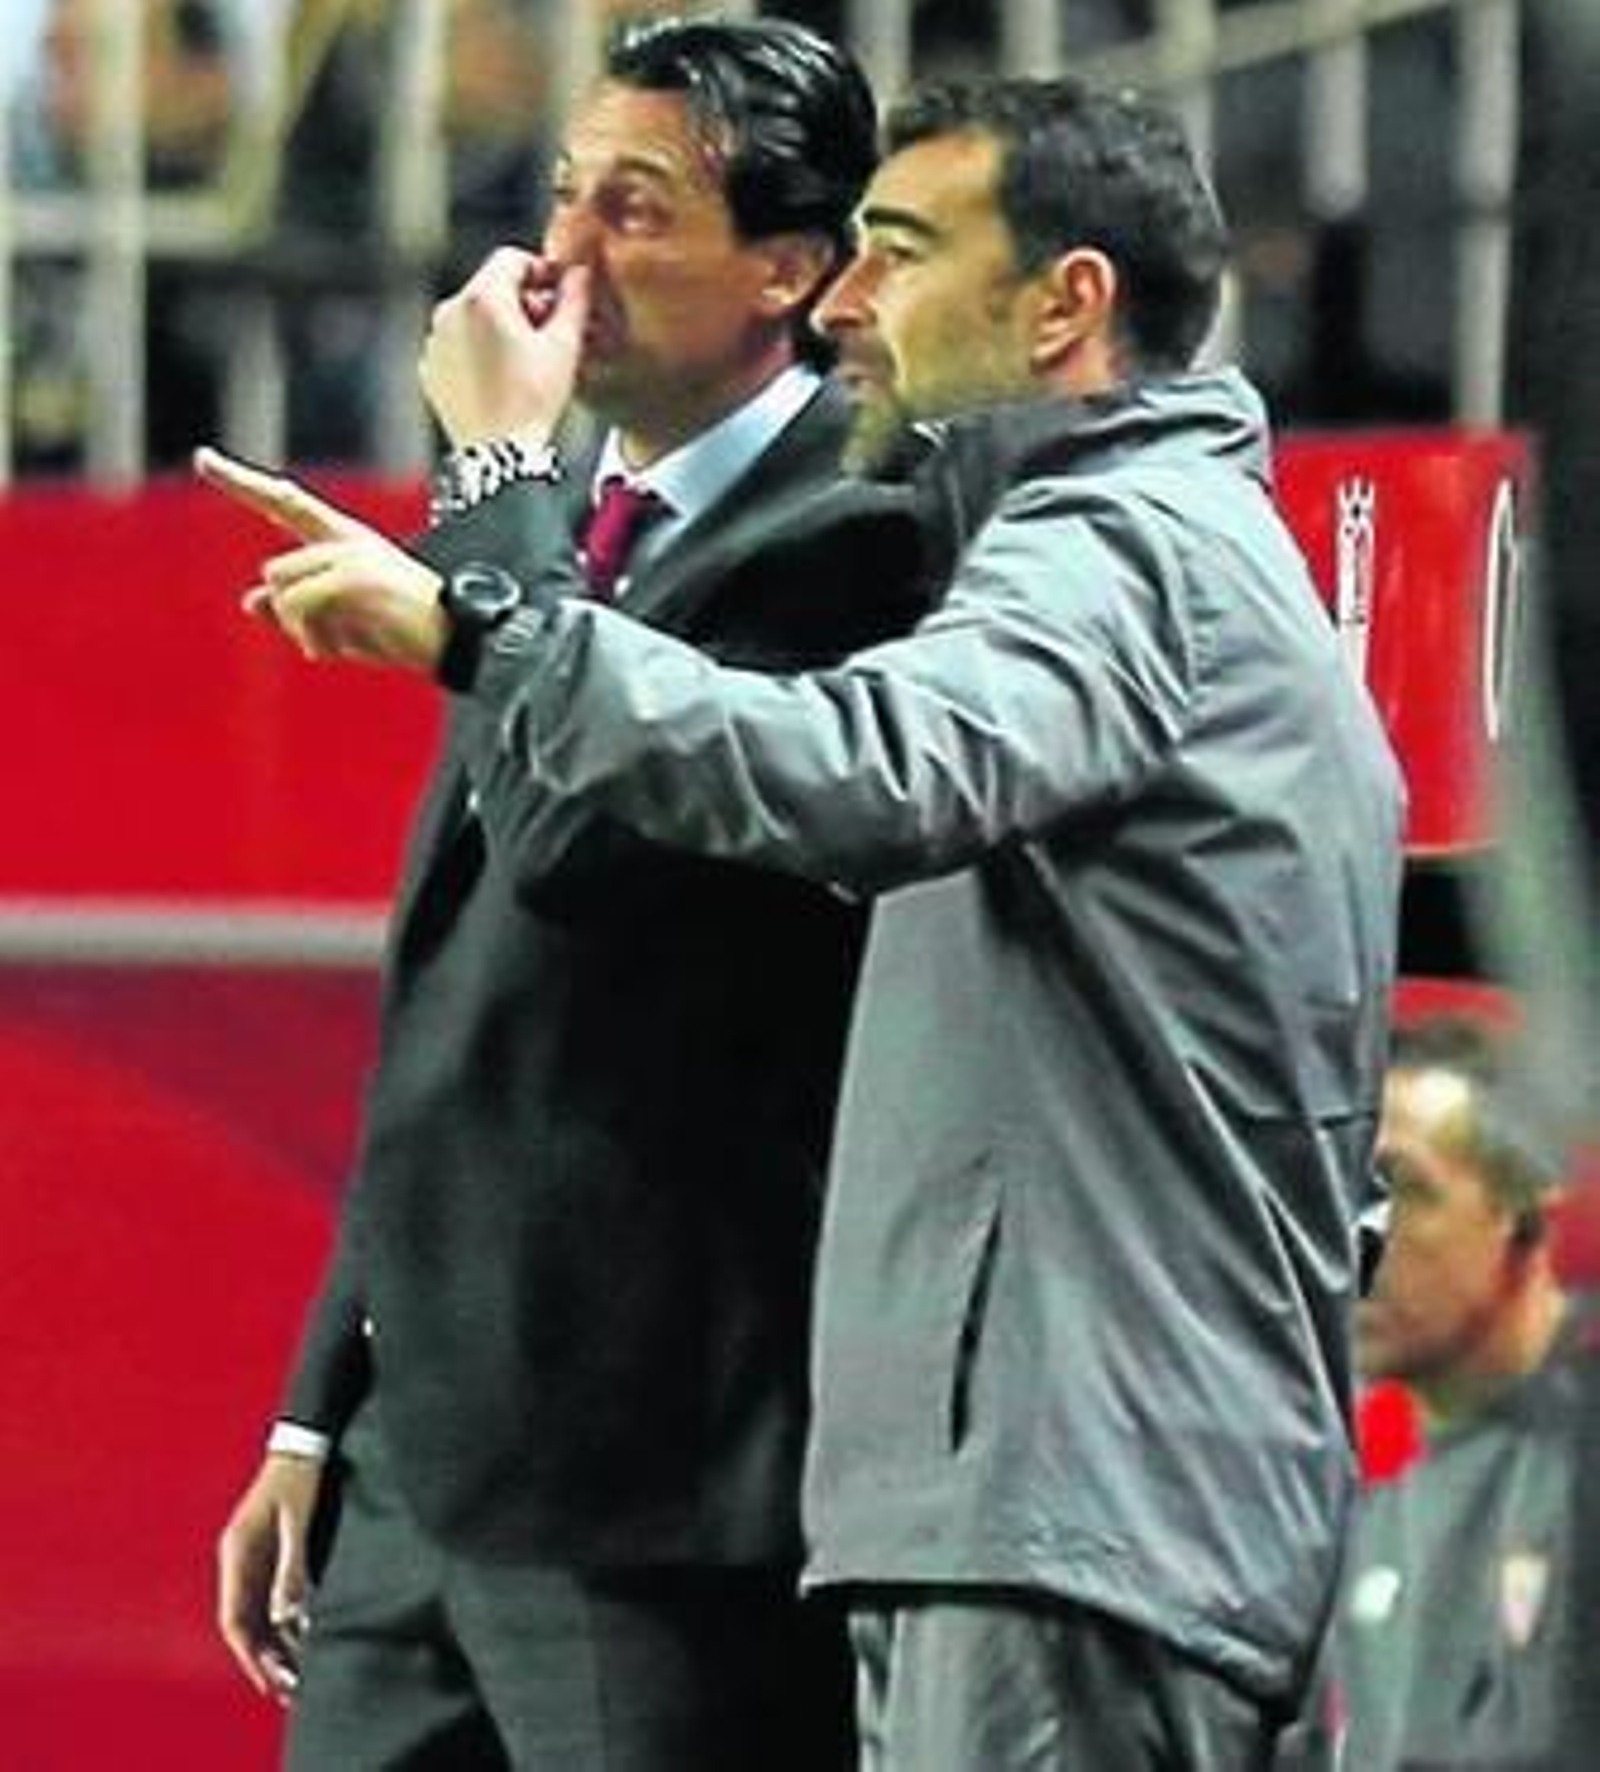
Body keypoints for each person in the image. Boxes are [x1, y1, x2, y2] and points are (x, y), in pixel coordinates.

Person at [201, 72, 1405, 1770]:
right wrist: (328, 1402)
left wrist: (488, 578)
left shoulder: (1077, 549)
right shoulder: (1088, 546)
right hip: (1024, 1495)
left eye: (898, 251)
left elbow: (855, 769)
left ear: (1068, 303)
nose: (853, 301)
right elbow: (471, 1015)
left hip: (1023, 1499)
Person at [210, 16, 930, 1770]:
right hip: (419, 1472)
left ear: (791, 268)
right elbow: (459, 997)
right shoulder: (575, 532)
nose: (560, 259)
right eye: (561, 195)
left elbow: (574, 850)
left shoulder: (856, 529)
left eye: (637, 210)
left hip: (654, 1491)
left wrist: (496, 482)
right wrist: (324, 1410)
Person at [1321, 1014, 1579, 1770]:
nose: (1360, 1238)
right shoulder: (1357, 1508)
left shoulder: (1577, 1464)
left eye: (1406, 1190)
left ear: (1520, 1210)